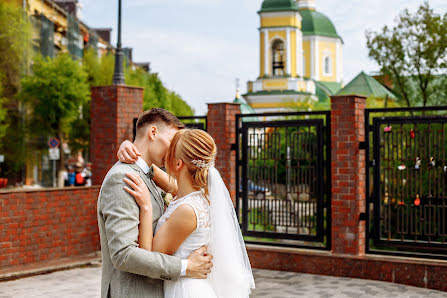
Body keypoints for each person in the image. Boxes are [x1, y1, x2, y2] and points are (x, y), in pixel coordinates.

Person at [120, 129, 255, 297]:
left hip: (185, 291)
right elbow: (156, 174)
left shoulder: (187, 210)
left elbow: (150, 258)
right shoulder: (196, 197)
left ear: (178, 164)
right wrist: (128, 147)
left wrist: (146, 207)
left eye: (169, 152)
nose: (164, 155)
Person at [97, 108, 213, 298]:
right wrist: (186, 266)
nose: (173, 150)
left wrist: (127, 145)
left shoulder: (149, 175)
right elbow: (123, 255)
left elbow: (179, 190)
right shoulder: (122, 179)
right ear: (153, 132)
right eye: (172, 141)